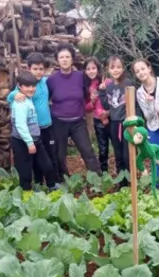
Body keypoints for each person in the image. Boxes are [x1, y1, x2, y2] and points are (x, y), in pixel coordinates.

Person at [40, 45, 101, 178]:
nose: (65, 60)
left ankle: (97, 180)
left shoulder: (80, 76)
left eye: (67, 57)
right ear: (57, 60)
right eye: (61, 57)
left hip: (78, 122)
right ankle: (63, 182)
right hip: (58, 122)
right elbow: (41, 95)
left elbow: (95, 83)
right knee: (59, 155)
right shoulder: (52, 80)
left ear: (72, 59)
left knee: (88, 151)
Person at [7, 52, 56, 186]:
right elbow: (10, 97)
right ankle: (39, 183)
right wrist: (15, 94)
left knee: (49, 157)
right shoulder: (22, 89)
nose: (38, 72)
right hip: (31, 129)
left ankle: (52, 182)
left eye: (41, 69)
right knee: (34, 160)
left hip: (46, 127)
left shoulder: (46, 82)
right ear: (29, 69)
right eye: (35, 69)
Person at [99, 55, 133, 182]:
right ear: (108, 69)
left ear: (123, 68)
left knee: (127, 155)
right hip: (114, 124)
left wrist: (134, 122)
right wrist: (102, 92)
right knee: (118, 156)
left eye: (119, 67)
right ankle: (121, 183)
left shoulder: (128, 84)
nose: (116, 70)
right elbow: (107, 105)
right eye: (112, 67)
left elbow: (133, 104)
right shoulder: (109, 86)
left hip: (126, 124)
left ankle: (130, 181)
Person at [83, 57, 110, 173]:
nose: (91, 71)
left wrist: (108, 113)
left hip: (112, 119)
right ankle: (104, 173)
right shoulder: (86, 86)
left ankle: (124, 174)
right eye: (88, 69)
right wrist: (93, 101)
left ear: (98, 69)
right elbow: (87, 108)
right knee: (102, 148)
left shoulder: (107, 82)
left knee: (118, 147)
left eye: (93, 68)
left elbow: (116, 101)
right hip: (98, 121)